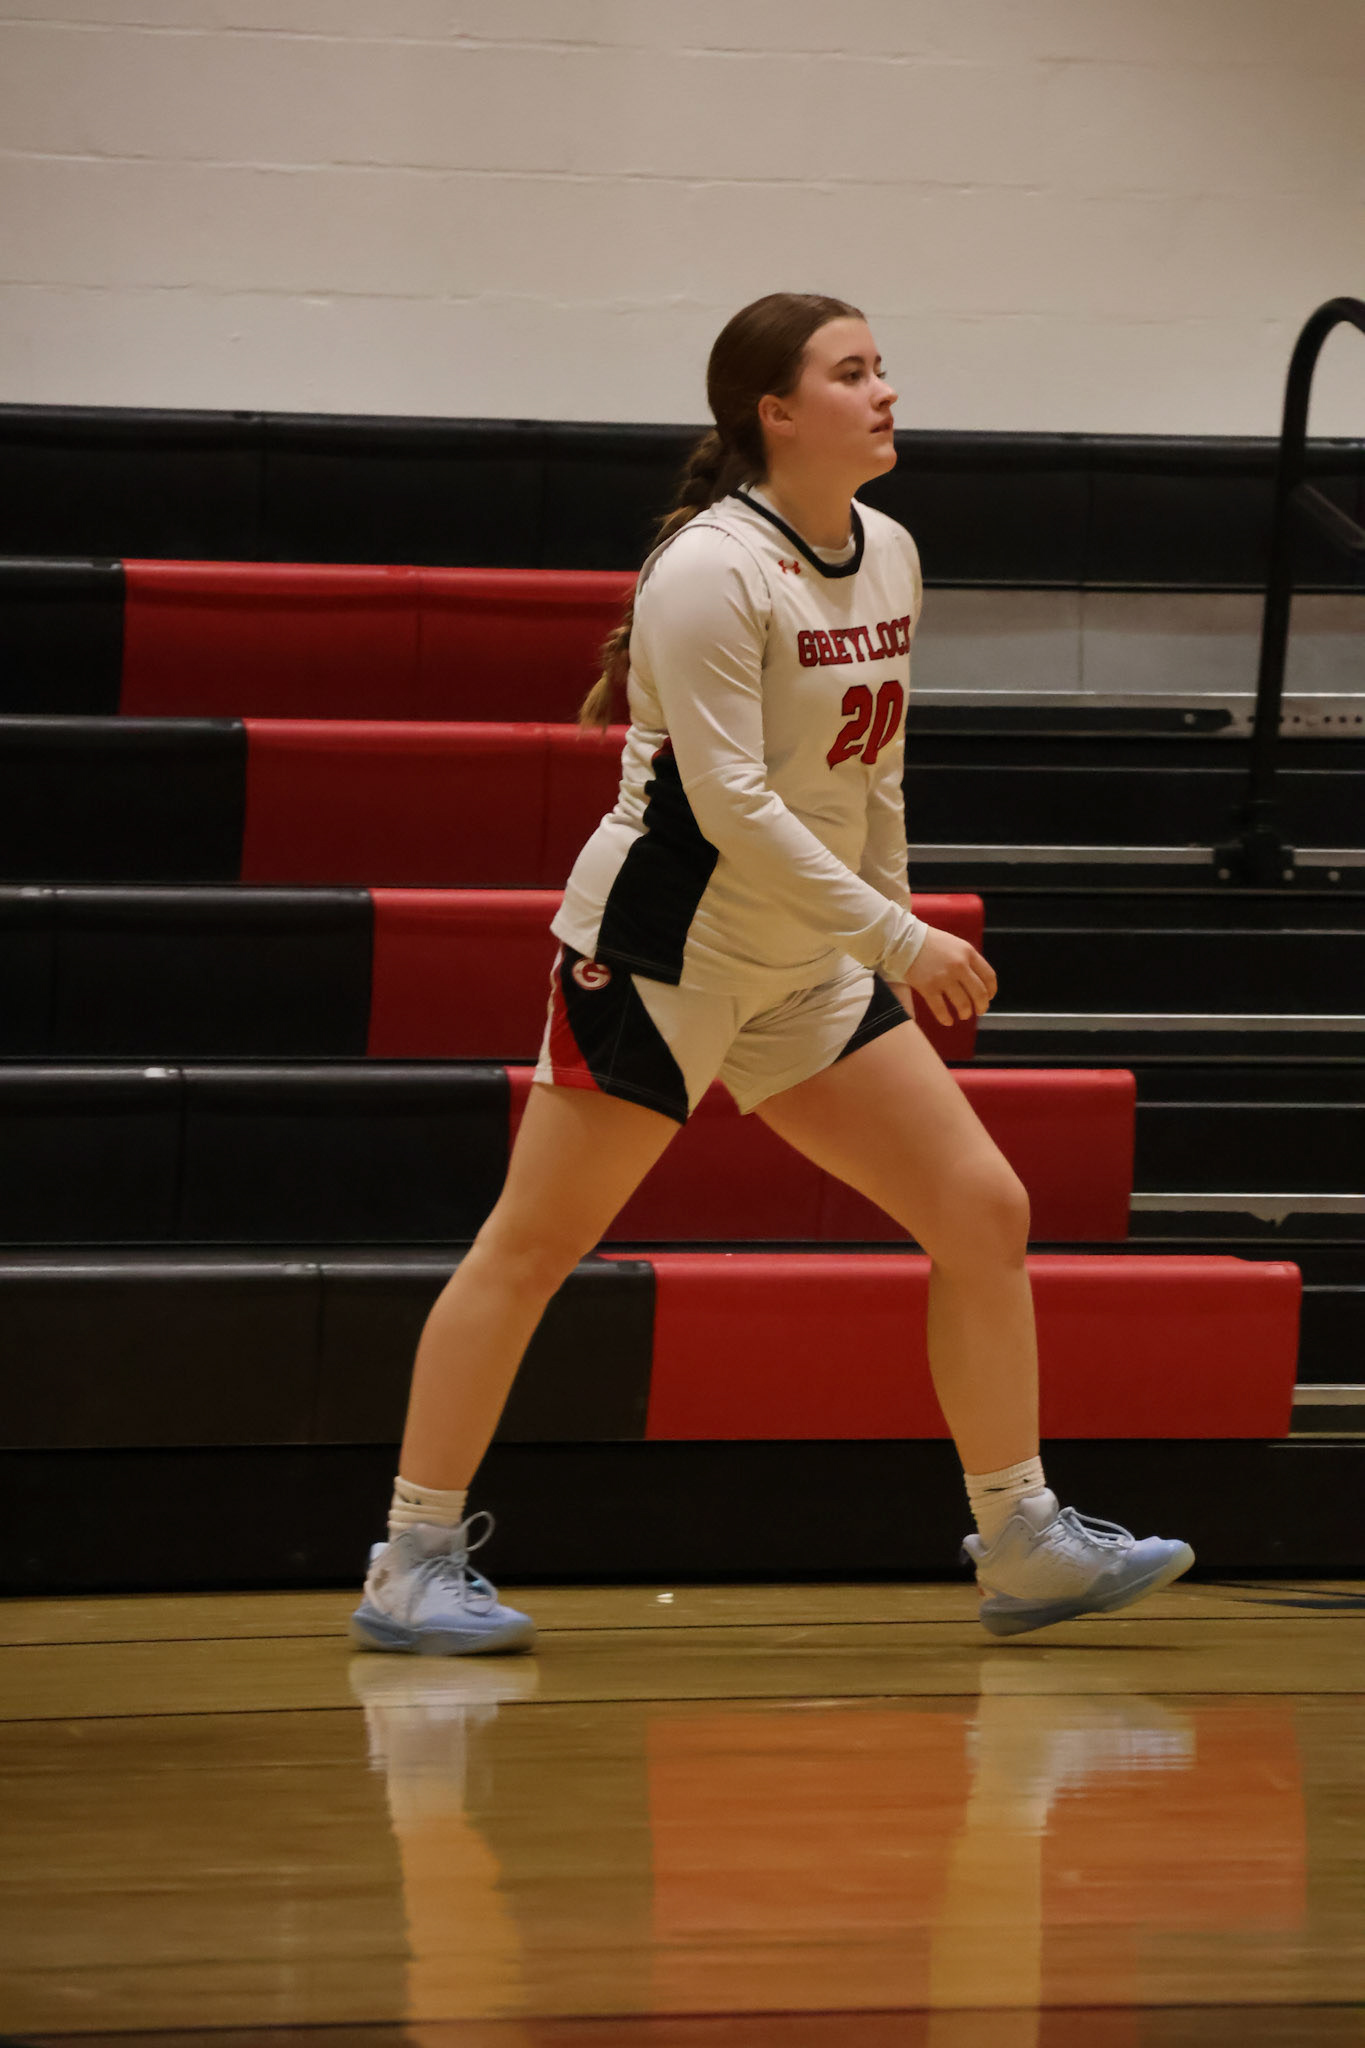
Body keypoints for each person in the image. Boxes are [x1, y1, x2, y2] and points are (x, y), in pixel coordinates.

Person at [350, 292, 1193, 1657]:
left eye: (882, 367)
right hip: (663, 957)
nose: (886, 391)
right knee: (531, 1249)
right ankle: (411, 1557)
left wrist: (888, 916)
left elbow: (874, 769)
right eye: (852, 372)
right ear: (776, 413)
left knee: (981, 1209)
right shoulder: (708, 569)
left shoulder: (890, 549)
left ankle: (1021, 1537)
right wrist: (898, 941)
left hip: (804, 962)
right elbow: (733, 803)